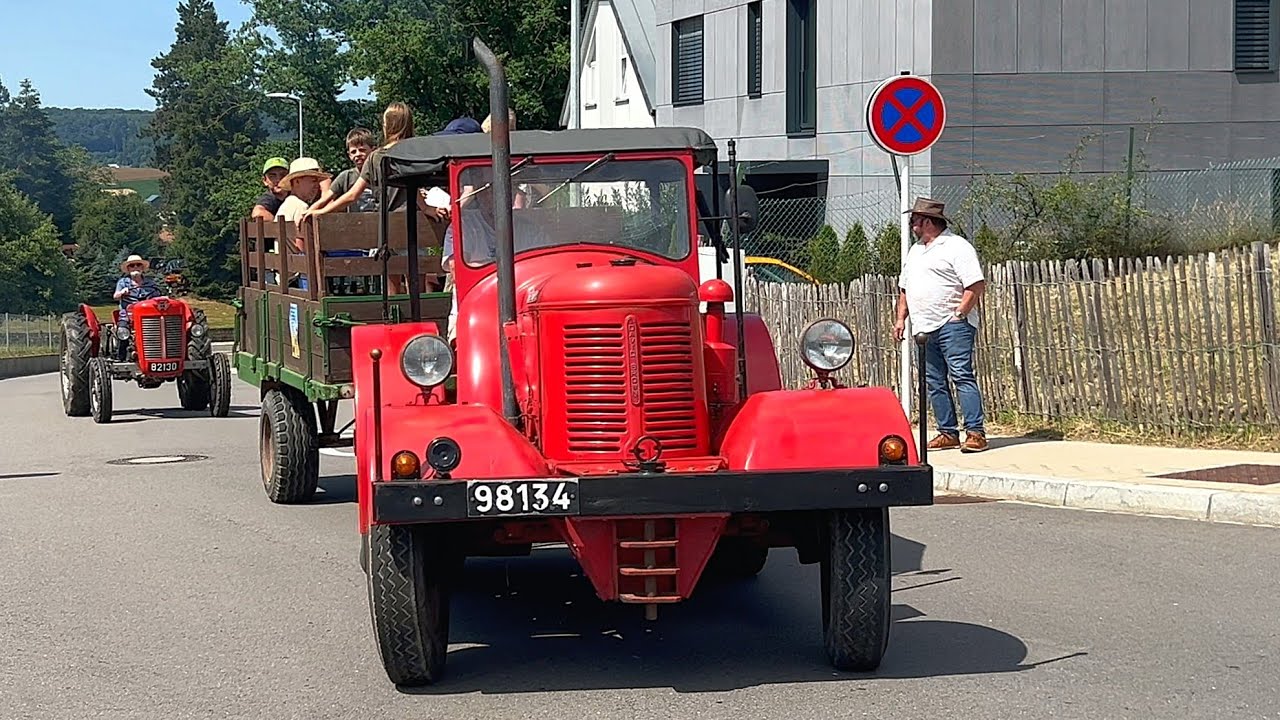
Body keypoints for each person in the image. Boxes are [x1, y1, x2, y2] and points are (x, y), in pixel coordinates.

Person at [894, 197, 988, 453]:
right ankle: (948, 432)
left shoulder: (956, 247)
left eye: (914, 219)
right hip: (923, 327)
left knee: (961, 375)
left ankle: (975, 432)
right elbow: (905, 288)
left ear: (926, 221)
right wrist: (901, 318)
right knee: (934, 380)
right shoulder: (915, 251)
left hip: (952, 324)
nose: (911, 223)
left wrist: (960, 313)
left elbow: (975, 285)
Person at [112, 254, 165, 360]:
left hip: (148, 314)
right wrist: (122, 292)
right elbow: (115, 296)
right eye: (132, 265)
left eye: (138, 265)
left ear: (142, 268)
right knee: (123, 331)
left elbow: (157, 297)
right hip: (128, 313)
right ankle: (121, 357)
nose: (135, 267)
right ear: (128, 269)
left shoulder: (150, 283)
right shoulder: (123, 282)